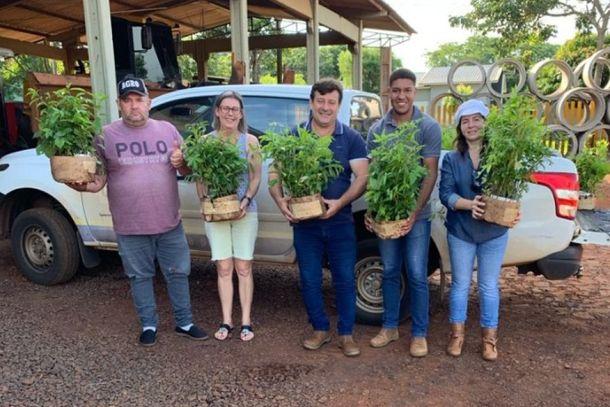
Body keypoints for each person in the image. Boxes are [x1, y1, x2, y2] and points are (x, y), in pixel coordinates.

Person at [68, 76, 208, 347]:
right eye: (127, 100)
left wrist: (184, 162)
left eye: (139, 100)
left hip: (168, 222)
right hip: (130, 226)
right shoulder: (105, 136)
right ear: (120, 104)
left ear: (149, 102)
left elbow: (187, 170)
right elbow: (98, 181)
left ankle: (184, 322)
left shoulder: (168, 131)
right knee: (139, 276)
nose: (134, 106)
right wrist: (81, 187)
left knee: (178, 272)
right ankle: (149, 324)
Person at [269, 78, 369, 357]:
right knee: (310, 278)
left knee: (344, 279)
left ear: (338, 105)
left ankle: (346, 334)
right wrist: (280, 200)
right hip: (305, 225)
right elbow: (274, 173)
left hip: (340, 223)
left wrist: (341, 202)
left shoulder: (350, 138)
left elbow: (362, 177)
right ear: (311, 103)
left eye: (331, 102)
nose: (325, 107)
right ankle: (320, 329)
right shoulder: (294, 137)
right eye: (321, 101)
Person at [365, 68, 441, 357]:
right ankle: (389, 327)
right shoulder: (376, 130)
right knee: (390, 270)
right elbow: (373, 175)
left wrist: (414, 211)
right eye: (396, 90)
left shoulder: (428, 127)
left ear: (414, 92)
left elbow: (430, 174)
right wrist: (372, 210)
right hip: (387, 214)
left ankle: (419, 333)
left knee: (418, 273)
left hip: (417, 217)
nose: (401, 96)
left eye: (407, 90)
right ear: (389, 92)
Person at [439, 99, 519, 361]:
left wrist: (514, 211)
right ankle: (457, 336)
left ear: (486, 123)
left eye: (476, 119)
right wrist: (467, 204)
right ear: (459, 127)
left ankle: (489, 341)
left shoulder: (503, 155)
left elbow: (510, 192)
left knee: (488, 286)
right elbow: (445, 194)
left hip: (493, 232)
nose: (471, 125)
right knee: (460, 285)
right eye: (465, 121)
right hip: (461, 231)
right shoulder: (452, 159)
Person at [177, 90, 261, 342]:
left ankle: (246, 321)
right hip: (215, 212)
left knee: (243, 267)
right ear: (217, 111)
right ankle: (227, 320)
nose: (230, 113)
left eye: (235, 109)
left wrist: (246, 199)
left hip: (245, 212)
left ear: (241, 113)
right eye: (226, 108)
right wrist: (204, 202)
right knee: (223, 267)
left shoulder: (250, 142)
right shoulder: (205, 142)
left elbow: (256, 177)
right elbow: (200, 178)